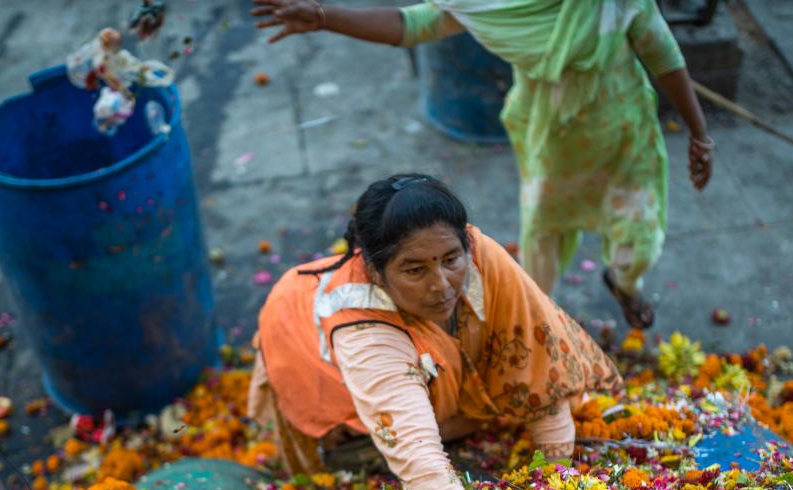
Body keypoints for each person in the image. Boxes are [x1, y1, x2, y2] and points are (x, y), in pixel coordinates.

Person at [248, 174, 623, 490]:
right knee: (383, 451)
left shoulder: (480, 256)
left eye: (450, 259)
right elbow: (417, 453)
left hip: (419, 370)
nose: (442, 284)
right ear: (375, 270)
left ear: (466, 243)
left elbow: (535, 362)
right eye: (414, 270)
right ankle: (355, 448)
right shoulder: (362, 329)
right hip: (320, 370)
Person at [252, 0, 714, 329]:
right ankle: (539, 327)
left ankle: (624, 283)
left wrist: (699, 132)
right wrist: (322, 16)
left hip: (623, 131)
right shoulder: (482, 4)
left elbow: (663, 55)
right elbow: (411, 25)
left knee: (638, 241)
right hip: (550, 136)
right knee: (543, 245)